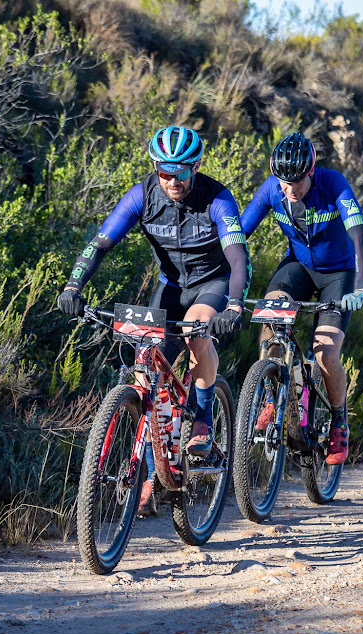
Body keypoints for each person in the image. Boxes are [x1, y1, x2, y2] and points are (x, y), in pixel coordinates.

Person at [58, 125, 250, 466]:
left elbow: (238, 259)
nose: (173, 181)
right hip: (172, 286)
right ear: (155, 167)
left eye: (182, 171)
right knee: (144, 371)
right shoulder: (142, 195)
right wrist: (73, 286)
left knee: (195, 331)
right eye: (164, 171)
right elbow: (99, 245)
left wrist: (233, 306)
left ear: (197, 165)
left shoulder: (218, 199)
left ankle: (203, 419)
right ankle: (148, 476)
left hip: (213, 283)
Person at [240, 132, 363, 465]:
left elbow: (359, 235)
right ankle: (273, 395)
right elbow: (238, 235)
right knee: (270, 319)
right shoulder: (272, 189)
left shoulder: (333, 183)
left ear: (311, 171)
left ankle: (339, 422)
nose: (290, 189)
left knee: (325, 354)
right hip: (297, 266)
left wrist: (360, 286)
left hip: (338, 273)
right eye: (284, 182)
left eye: (297, 181)